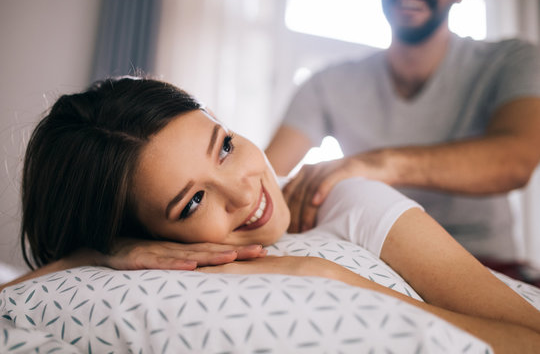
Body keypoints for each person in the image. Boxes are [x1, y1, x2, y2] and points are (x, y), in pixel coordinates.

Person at [1, 77, 540, 352]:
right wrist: (104, 251)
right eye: (192, 202)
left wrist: (331, 277)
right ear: (152, 236)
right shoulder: (134, 255)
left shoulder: (347, 201)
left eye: (226, 147)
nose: (243, 193)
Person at [265, 0, 540, 260]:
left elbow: (516, 161)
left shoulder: (512, 60)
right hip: (374, 258)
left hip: (485, 260)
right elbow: (267, 173)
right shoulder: (325, 84)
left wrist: (380, 164)